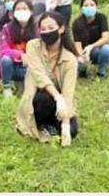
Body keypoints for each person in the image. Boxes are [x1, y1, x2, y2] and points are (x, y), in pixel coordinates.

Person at [15, 11, 78, 147]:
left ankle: (53, 126)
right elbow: (39, 76)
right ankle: (40, 124)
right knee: (43, 99)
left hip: (58, 103)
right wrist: (57, 97)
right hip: (38, 97)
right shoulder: (33, 46)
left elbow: (68, 92)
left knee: (72, 131)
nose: (46, 32)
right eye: (43, 29)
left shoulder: (70, 59)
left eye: (51, 28)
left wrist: (66, 122)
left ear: (61, 29)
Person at [0, 0, 38, 98]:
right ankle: (7, 87)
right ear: (14, 12)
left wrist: (29, 57)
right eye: (18, 9)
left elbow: (40, 50)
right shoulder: (7, 28)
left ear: (31, 11)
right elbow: (4, 50)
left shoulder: (37, 29)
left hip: (29, 66)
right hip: (11, 67)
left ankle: (25, 85)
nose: (21, 11)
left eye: (24, 9)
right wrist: (21, 55)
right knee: (5, 60)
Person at [72, 0, 109, 79]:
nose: (89, 7)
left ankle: (101, 72)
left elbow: (106, 37)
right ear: (81, 8)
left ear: (96, 6)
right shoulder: (77, 23)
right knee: (80, 63)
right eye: (86, 5)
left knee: (107, 49)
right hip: (83, 51)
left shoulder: (101, 18)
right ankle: (82, 70)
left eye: (92, 5)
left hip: (97, 49)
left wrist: (91, 46)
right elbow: (77, 44)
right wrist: (81, 56)